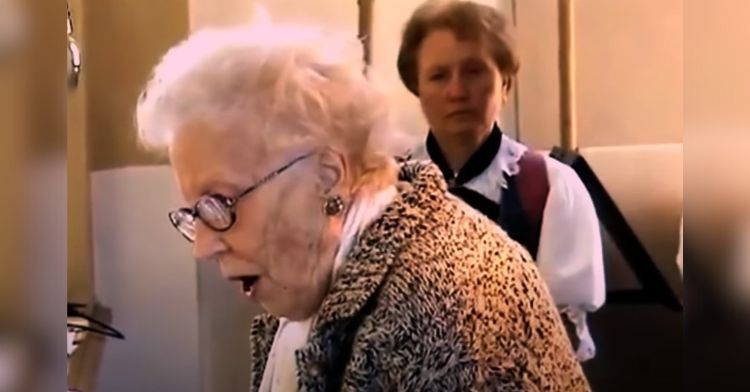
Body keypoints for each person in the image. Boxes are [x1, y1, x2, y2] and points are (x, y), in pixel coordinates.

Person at [135, 22, 590, 391]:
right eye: (196, 214)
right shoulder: (333, 265)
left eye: (220, 203)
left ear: (327, 177)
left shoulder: (439, 309)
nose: (204, 247)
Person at [397, 0, 605, 361]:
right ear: (417, 87)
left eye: (474, 71)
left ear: (505, 83)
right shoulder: (387, 188)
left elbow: (559, 334)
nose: (457, 91)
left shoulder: (551, 187)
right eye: (438, 75)